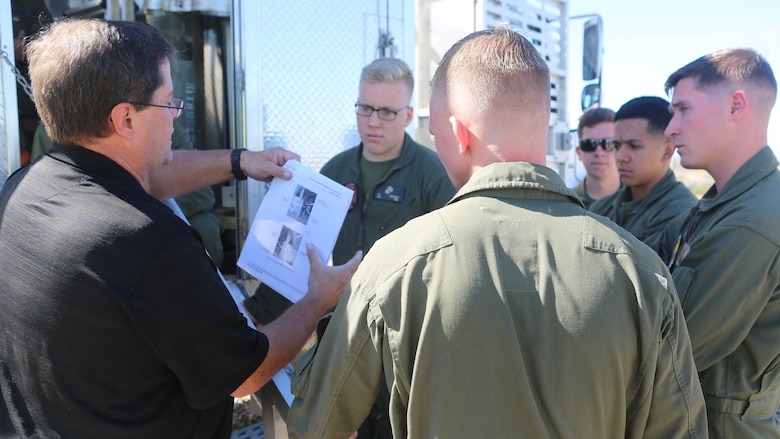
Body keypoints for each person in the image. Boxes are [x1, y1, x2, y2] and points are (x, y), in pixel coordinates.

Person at [286, 25, 707, 438]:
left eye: (437, 135)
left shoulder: (396, 263)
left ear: (458, 132)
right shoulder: (641, 273)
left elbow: (315, 425)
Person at [0, 18, 361, 439]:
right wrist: (318, 298)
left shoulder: (23, 189)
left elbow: (147, 177)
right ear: (126, 120)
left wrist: (240, 161)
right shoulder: (152, 246)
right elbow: (245, 373)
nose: (175, 116)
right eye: (169, 102)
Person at [246, 56, 456, 438]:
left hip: (403, 346)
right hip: (344, 337)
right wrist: (256, 313)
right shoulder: (336, 172)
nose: (373, 121)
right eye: (365, 108)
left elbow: (452, 266)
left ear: (408, 115)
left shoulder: (432, 175)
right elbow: (299, 251)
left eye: (387, 112)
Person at [650, 48, 780, 438]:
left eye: (683, 109)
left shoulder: (752, 220)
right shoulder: (725, 203)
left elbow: (671, 355)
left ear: (736, 106)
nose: (671, 129)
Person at [30, 118, 227, 267]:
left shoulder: (163, 120)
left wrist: (146, 209)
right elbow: (47, 197)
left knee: (205, 227)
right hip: (92, 225)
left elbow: (202, 195)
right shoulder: (55, 129)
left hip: (157, 218)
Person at [589, 96, 697, 243]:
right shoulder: (603, 207)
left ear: (667, 151)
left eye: (634, 146)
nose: (620, 157)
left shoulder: (680, 213)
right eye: (616, 146)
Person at [572, 107, 620, 208]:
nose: (599, 152)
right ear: (579, 152)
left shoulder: (642, 202)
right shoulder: (566, 205)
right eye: (589, 144)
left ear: (620, 148)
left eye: (608, 143)